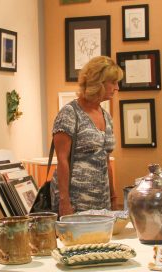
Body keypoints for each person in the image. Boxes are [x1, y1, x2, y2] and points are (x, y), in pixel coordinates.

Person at [51, 56, 122, 216]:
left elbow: (106, 161)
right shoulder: (70, 114)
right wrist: (64, 202)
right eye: (113, 82)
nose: (117, 87)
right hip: (76, 204)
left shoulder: (106, 116)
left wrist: (113, 197)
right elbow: (62, 161)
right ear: (99, 82)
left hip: (102, 204)